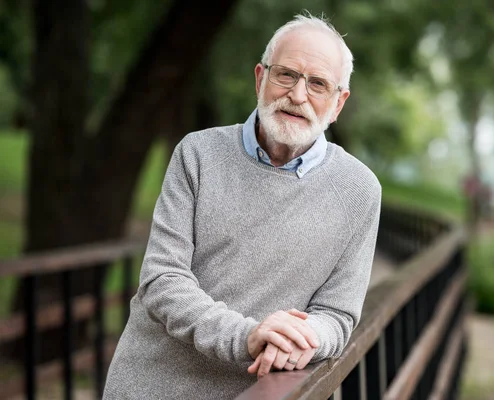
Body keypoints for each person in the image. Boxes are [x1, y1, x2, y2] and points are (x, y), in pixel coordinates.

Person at [104, 13, 381, 399]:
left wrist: (305, 338)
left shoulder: (360, 190)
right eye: (286, 75)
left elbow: (338, 316)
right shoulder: (197, 154)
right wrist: (248, 335)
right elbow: (162, 278)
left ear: (338, 103)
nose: (298, 95)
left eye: (318, 84)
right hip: (150, 387)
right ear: (260, 79)